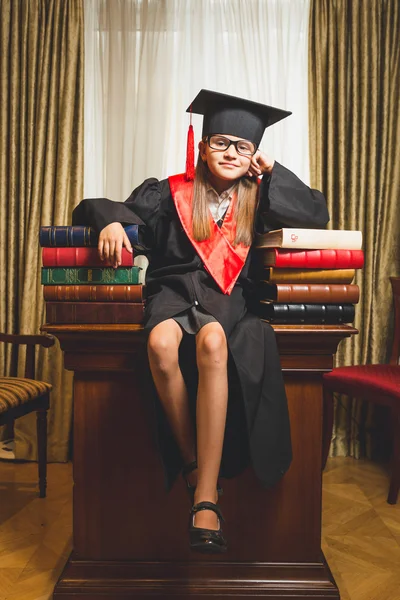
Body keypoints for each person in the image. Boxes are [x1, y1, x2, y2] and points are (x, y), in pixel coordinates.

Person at [72, 89, 329, 554]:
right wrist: (111, 222)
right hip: (169, 296)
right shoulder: (169, 194)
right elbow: (102, 206)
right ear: (202, 145)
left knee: (213, 341)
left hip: (226, 303)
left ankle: (205, 495)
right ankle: (191, 463)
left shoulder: (258, 197)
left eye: (243, 147)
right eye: (222, 142)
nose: (232, 153)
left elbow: (317, 213)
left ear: (254, 156)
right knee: (160, 345)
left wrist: (271, 173)